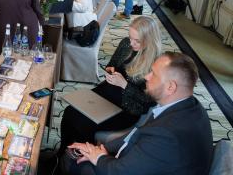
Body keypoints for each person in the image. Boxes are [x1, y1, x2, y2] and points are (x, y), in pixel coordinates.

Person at [62, 52, 212, 175]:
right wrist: (104, 148)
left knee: (74, 161)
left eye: (153, 74)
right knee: (80, 151)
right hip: (142, 160)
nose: (146, 77)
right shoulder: (191, 106)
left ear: (170, 87)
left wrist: (99, 157)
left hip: (126, 168)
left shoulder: (166, 136)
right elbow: (138, 132)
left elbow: (119, 172)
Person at [60, 15, 162, 153]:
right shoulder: (126, 43)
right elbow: (111, 64)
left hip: (126, 108)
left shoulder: (156, 63)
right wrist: (110, 70)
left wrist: (124, 85)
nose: (131, 43)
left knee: (82, 123)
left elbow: (149, 101)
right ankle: (62, 154)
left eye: (137, 41)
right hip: (107, 92)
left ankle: (83, 158)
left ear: (149, 40)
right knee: (69, 112)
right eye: (130, 37)